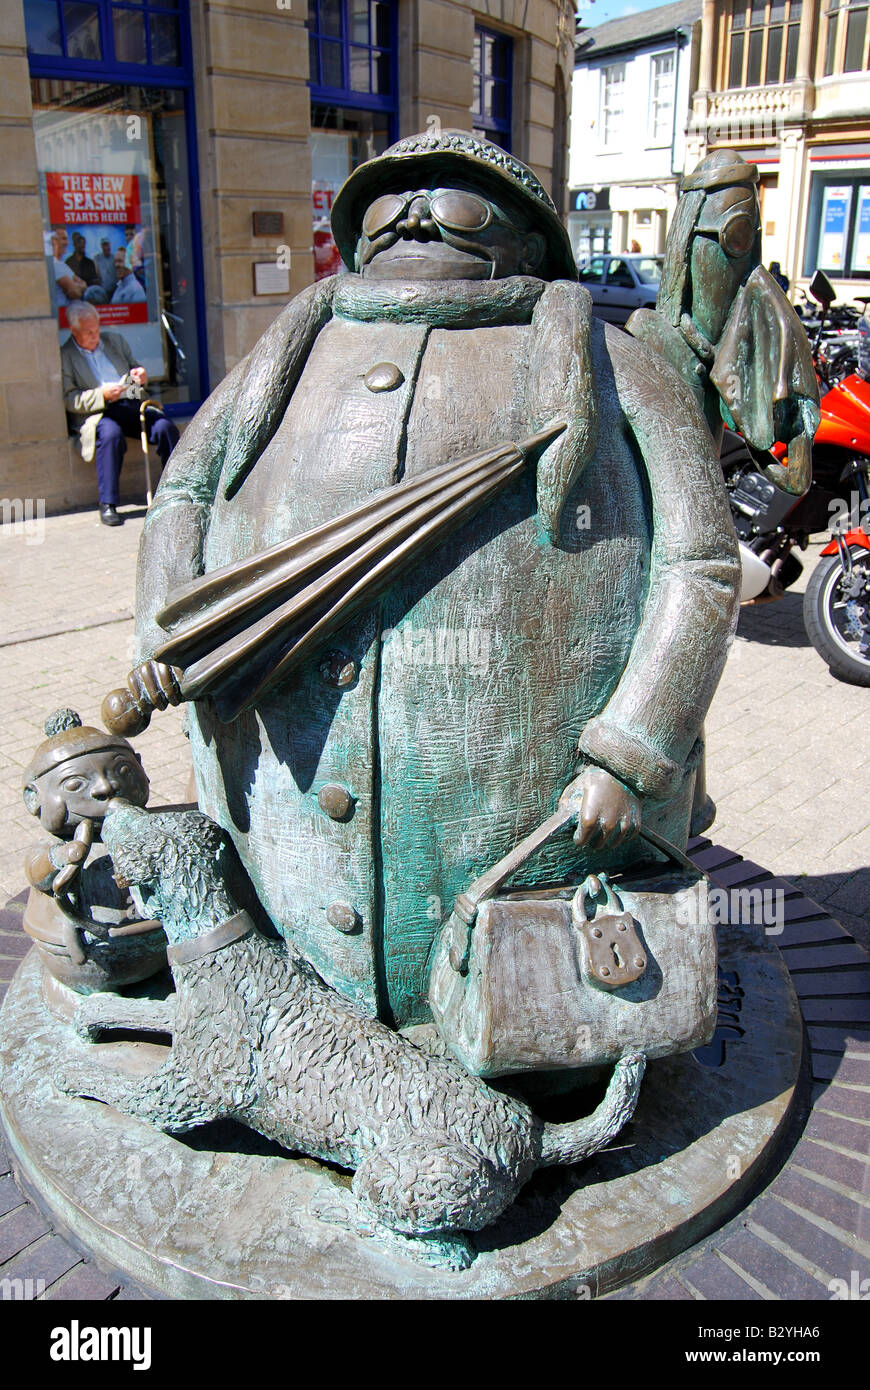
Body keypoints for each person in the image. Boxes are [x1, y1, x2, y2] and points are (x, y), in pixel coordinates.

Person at [132, 129, 740, 1029]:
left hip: (519, 820)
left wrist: (631, 748)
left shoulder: (617, 367)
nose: (416, 220)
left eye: (457, 201)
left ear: (531, 241)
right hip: (276, 788)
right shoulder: (287, 352)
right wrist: (164, 626)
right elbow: (181, 491)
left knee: (523, 996)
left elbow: (700, 560)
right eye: (387, 205)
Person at [60, 301, 179, 526]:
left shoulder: (114, 341)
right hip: (100, 413)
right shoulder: (65, 355)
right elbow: (69, 399)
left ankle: (175, 490)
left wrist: (140, 377)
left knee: (166, 428)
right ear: (74, 331)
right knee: (110, 435)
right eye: (88, 332)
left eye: (96, 329)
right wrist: (102, 395)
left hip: (130, 404)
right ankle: (108, 504)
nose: (96, 335)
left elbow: (136, 379)